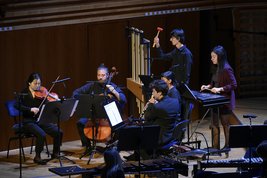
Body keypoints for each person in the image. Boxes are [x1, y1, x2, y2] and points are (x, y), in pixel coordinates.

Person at [72, 64, 127, 152]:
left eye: (102, 75)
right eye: (98, 75)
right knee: (80, 123)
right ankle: (87, 146)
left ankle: (112, 145)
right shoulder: (92, 85)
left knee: (119, 125)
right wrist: (86, 99)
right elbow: (75, 93)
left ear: (108, 75)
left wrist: (113, 91)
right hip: (93, 113)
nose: (100, 77)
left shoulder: (112, 86)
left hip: (108, 114)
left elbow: (123, 99)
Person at [15, 72, 62, 165]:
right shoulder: (23, 93)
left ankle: (56, 153)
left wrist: (55, 102)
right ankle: (37, 156)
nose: (38, 85)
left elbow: (47, 104)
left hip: (40, 120)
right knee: (41, 134)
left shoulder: (42, 92)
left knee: (58, 132)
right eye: (35, 83)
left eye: (39, 83)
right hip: (28, 122)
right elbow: (16, 105)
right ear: (29, 83)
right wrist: (30, 109)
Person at [200, 45, 242, 150]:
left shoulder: (227, 69)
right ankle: (215, 147)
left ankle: (227, 146)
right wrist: (208, 86)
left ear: (220, 57)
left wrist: (220, 89)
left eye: (213, 57)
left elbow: (234, 84)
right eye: (211, 56)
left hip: (225, 101)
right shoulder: (216, 67)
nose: (211, 59)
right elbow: (214, 82)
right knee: (214, 124)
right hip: (215, 101)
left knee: (225, 124)